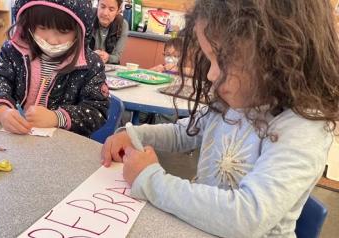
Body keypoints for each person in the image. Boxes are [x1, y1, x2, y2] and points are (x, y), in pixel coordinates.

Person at [101, 0, 339, 237]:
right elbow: (184, 132)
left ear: (278, 56)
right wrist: (134, 134)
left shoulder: (302, 129)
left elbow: (247, 217)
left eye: (222, 60)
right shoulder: (230, 103)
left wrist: (150, 180)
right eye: (209, 59)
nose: (210, 74)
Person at [0, 0, 109, 137]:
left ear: (79, 31)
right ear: (28, 23)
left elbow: (97, 110)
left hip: (63, 146)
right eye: (42, 27)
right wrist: (1, 111)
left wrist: (56, 118)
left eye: (63, 31)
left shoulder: (91, 64)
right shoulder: (13, 51)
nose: (51, 40)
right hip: (16, 140)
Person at [90, 0, 129, 64]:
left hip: (109, 67)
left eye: (111, 10)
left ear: (118, 11)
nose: (105, 13)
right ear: (97, 5)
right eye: (102, 7)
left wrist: (108, 57)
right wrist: (91, 55)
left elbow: (117, 57)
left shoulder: (122, 25)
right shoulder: (88, 18)